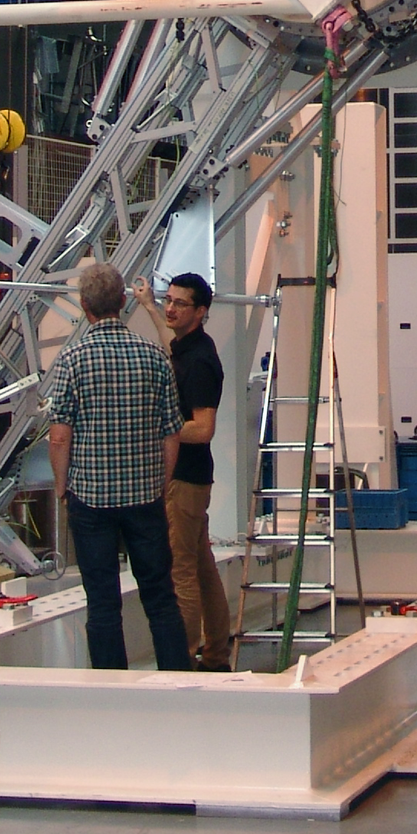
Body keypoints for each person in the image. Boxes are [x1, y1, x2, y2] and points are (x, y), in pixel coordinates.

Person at [41, 259, 191, 671]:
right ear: (123, 301)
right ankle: (179, 679)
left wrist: (61, 487)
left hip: (91, 500)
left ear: (85, 307)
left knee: (102, 601)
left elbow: (59, 435)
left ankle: (111, 687)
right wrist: (161, 485)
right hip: (144, 497)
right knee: (160, 596)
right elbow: (171, 432)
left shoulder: (72, 361)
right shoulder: (154, 357)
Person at [138, 271, 230, 670]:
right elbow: (170, 340)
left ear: (201, 312)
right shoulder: (189, 348)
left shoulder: (199, 362)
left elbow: (204, 427)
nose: (171, 308)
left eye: (179, 303)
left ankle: (185, 659)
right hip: (190, 478)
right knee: (203, 570)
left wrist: (158, 431)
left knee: (182, 573)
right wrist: (148, 305)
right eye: (168, 300)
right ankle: (214, 654)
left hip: (185, 480)